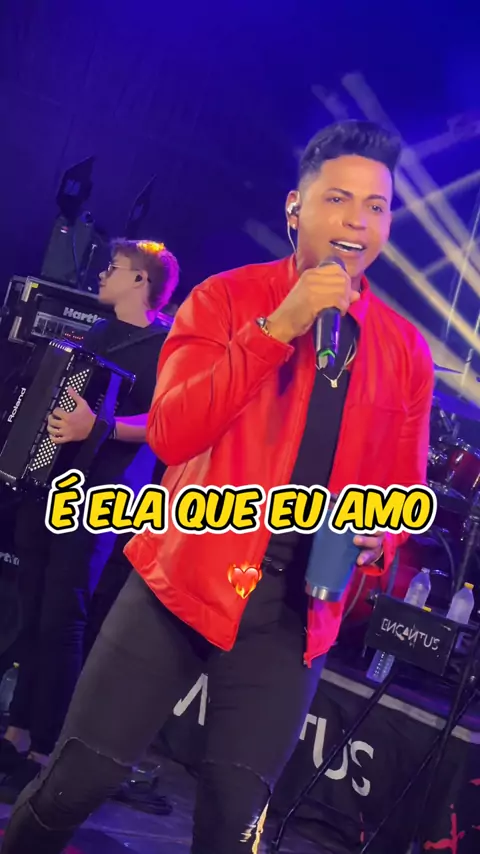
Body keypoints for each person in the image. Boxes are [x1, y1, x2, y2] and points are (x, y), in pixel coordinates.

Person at [2, 121, 434, 853]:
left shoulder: (405, 350)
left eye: (376, 206)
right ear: (296, 206)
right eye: (338, 198)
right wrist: (279, 326)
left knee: (233, 825)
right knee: (76, 782)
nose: (358, 220)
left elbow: (402, 488)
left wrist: (380, 535)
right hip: (181, 579)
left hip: (294, 616)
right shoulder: (226, 298)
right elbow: (173, 434)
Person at [0, 239, 178, 802]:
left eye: (113, 268)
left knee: (64, 617)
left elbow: (167, 422)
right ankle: (17, 731)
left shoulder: (169, 345)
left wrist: (99, 428)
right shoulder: (99, 334)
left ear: (141, 281)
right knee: (33, 609)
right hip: (51, 481)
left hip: (102, 494)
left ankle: (49, 748)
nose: (102, 274)